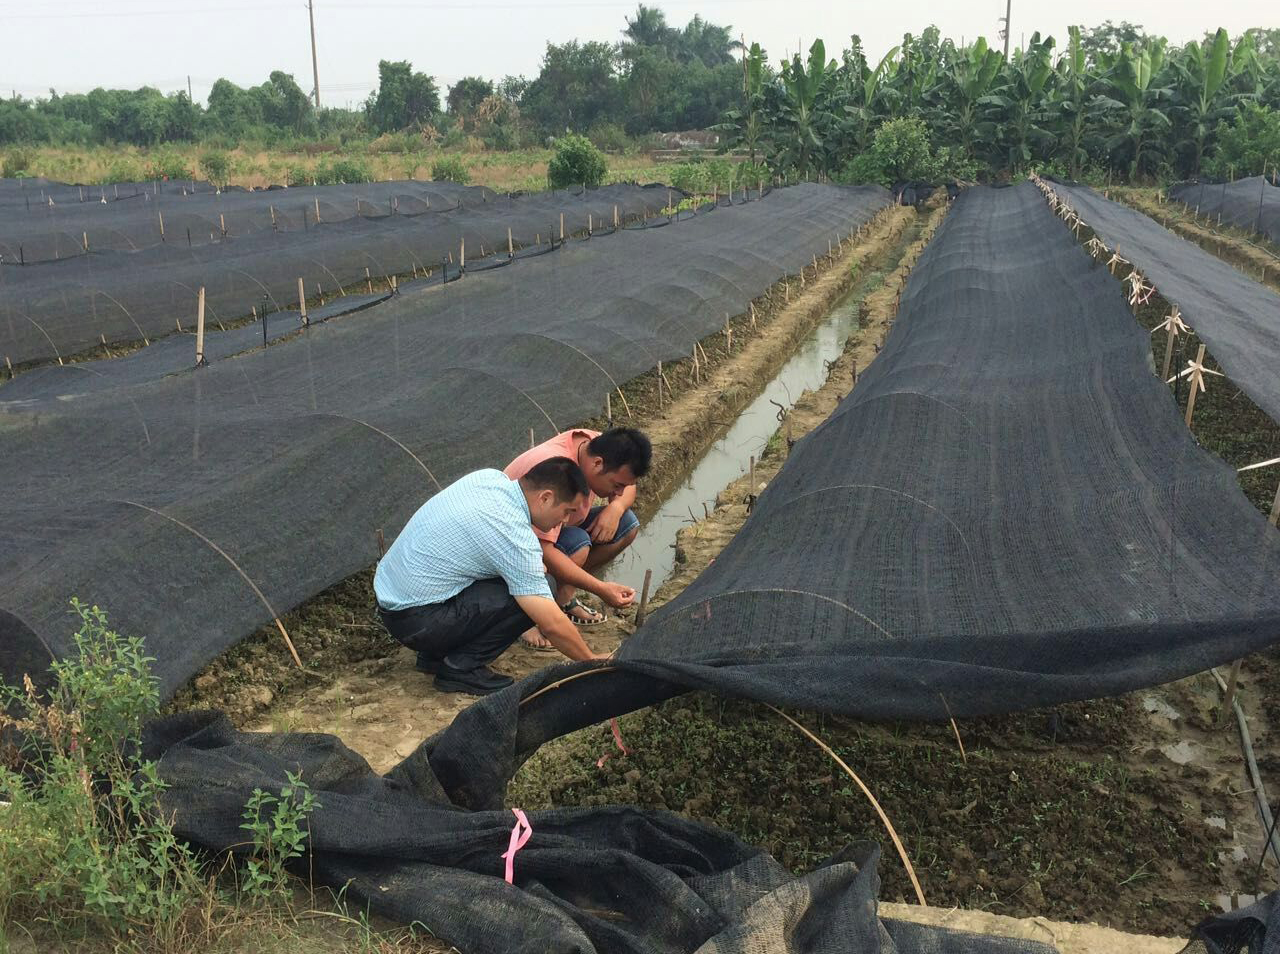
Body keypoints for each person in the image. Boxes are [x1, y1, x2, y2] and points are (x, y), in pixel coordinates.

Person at [373, 458, 615, 695]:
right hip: (418, 622)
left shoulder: (490, 479)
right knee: (543, 589)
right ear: (545, 497)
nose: (564, 521)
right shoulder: (512, 531)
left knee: (523, 579)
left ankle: (434, 657)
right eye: (566, 511)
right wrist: (591, 661)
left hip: (393, 602)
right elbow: (551, 622)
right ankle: (460, 669)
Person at [504, 427, 650, 646]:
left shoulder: (594, 444)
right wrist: (600, 589)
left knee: (627, 523)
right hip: (514, 547)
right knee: (579, 544)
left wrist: (616, 508)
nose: (619, 491)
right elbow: (543, 549)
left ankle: (563, 598)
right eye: (616, 485)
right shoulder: (556, 468)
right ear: (597, 464)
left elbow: (630, 485)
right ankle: (528, 617)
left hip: (557, 530)